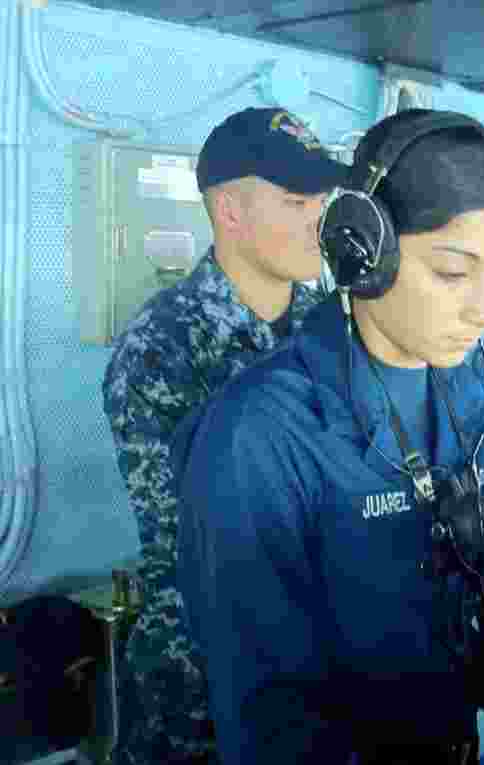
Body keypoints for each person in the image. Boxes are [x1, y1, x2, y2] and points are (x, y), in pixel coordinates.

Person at [170, 109, 484, 765]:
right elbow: (269, 720)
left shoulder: (469, 386)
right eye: (453, 272)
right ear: (364, 254)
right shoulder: (256, 437)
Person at [101, 107, 343, 764]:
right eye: (297, 200)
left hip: (322, 678)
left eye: (322, 198)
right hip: (201, 688)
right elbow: (194, 545)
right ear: (230, 212)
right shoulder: (163, 348)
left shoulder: (333, 329)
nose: (318, 218)